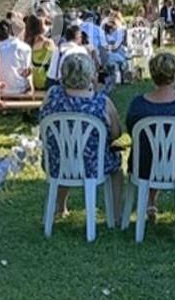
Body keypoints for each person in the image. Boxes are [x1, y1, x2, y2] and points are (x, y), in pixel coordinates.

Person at [125, 51, 175, 222]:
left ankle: (150, 202)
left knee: (152, 150)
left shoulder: (138, 105)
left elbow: (131, 130)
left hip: (144, 165)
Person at [39, 52, 123, 220]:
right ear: (91, 75)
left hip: (56, 162)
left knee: (65, 153)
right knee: (117, 169)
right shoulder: (101, 102)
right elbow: (116, 133)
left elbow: (42, 129)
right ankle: (116, 214)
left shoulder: (52, 96)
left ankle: (60, 206)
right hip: (93, 165)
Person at [0, 18, 33, 97]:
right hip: (19, 89)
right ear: (22, 32)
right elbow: (26, 71)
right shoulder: (25, 48)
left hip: (1, 88)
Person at [47, 23, 90, 87]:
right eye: (81, 36)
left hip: (51, 80)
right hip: (65, 82)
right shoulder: (80, 50)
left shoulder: (57, 49)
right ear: (78, 37)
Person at [25, 14, 55, 91]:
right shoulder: (48, 43)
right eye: (45, 24)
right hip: (45, 81)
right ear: (41, 27)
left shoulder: (26, 43)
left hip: (30, 81)